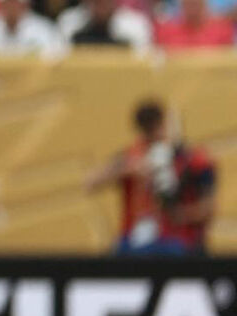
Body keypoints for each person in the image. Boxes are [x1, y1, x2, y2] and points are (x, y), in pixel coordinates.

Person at [87, 99, 216, 256]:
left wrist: (178, 215)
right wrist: (127, 169)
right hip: (135, 241)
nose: (155, 134)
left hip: (178, 241)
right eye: (148, 130)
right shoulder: (131, 156)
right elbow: (90, 183)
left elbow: (208, 210)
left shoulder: (192, 160)